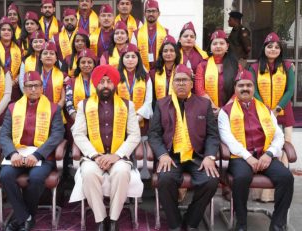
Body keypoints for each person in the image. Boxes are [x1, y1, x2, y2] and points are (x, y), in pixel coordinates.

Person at [218, 70, 293, 231]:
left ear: (253, 88)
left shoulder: (265, 109)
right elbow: (228, 139)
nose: (245, 88)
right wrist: (248, 157)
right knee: (242, 177)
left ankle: (278, 224)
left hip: (265, 155)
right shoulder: (226, 111)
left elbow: (278, 136)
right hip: (239, 157)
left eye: (248, 85)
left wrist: (270, 153)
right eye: (241, 85)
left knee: (286, 177)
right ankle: (242, 223)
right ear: (235, 89)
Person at [148, 64, 219, 231]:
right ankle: (175, 224)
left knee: (211, 181)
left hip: (197, 156)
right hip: (171, 156)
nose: (181, 84)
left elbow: (212, 135)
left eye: (184, 80)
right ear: (172, 84)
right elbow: (154, 134)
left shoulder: (203, 104)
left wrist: (210, 156)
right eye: (177, 80)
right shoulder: (162, 104)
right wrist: (162, 155)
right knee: (164, 179)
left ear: (191, 83)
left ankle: (192, 220)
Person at [72, 64, 141, 230]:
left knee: (121, 172)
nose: (105, 85)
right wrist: (95, 156)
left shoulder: (127, 105)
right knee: (88, 173)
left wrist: (116, 155)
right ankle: (100, 219)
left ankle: (114, 219)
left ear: (115, 84)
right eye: (101, 82)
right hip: (93, 156)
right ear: (95, 84)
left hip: (118, 156)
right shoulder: (84, 105)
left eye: (109, 82)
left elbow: (134, 135)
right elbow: (79, 134)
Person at [0, 71, 65, 231]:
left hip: (42, 156)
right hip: (17, 154)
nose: (33, 89)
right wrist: (13, 153)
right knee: (5, 176)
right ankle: (26, 217)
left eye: (36, 86)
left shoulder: (53, 108)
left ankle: (22, 217)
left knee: (35, 178)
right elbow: (4, 134)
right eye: (29, 86)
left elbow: (57, 134)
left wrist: (37, 155)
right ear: (24, 88)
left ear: (42, 88)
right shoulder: (13, 107)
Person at [249, 32, 295, 202]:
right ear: (264, 48)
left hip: (284, 113)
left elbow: (290, 90)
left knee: (283, 149)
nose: (273, 49)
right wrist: (267, 110)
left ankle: (276, 193)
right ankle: (258, 192)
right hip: (262, 113)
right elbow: (253, 91)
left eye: (277, 47)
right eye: (270, 46)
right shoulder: (254, 67)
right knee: (263, 147)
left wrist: (277, 108)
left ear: (280, 50)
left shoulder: (288, 66)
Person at [195, 30, 239, 116]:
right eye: (214, 44)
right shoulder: (202, 65)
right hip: (208, 111)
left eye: (222, 43)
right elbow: (199, 89)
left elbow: (239, 90)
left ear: (227, 46)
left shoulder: (236, 66)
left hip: (231, 111)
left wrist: (224, 110)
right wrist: (214, 108)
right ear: (210, 47)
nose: (218, 46)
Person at [117, 43, 153, 136]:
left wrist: (138, 118)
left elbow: (148, 101)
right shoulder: (115, 76)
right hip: (119, 119)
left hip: (141, 120)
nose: (130, 59)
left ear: (138, 59)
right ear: (122, 59)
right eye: (127, 56)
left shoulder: (146, 77)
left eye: (133, 56)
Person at [65, 48, 97, 127]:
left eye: (89, 62)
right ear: (78, 65)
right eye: (83, 62)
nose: (86, 65)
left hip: (97, 120)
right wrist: (77, 118)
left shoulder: (100, 81)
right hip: (77, 121)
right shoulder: (71, 82)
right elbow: (68, 102)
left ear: (94, 64)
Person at [134, 0, 168, 73]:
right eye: (148, 11)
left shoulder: (166, 32)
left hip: (161, 70)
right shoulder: (136, 33)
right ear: (144, 13)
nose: (151, 13)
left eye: (154, 11)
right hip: (141, 71)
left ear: (159, 13)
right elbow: (133, 54)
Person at [0, 16, 23, 102]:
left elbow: (22, 68)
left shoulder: (19, 49)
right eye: (3, 30)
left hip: (15, 88)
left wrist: (17, 79)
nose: (6, 32)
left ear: (12, 32)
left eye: (9, 30)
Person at [36, 41, 65, 108]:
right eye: (45, 53)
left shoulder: (62, 75)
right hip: (38, 110)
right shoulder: (35, 74)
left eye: (52, 54)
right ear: (40, 58)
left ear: (56, 59)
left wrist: (57, 108)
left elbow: (63, 98)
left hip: (56, 110)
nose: (48, 56)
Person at [153, 35, 181, 100]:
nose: (168, 53)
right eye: (165, 51)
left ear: (176, 53)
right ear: (161, 53)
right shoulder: (153, 73)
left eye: (172, 50)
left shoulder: (182, 70)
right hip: (158, 107)